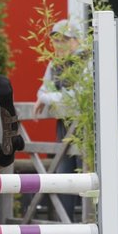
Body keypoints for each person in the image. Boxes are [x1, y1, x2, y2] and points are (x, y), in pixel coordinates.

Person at [34, 19, 85, 221]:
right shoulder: (54, 64)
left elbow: (76, 99)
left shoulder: (87, 60)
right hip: (64, 127)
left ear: (76, 41)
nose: (59, 45)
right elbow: (42, 89)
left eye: (65, 39)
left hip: (86, 128)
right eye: (56, 40)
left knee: (87, 181)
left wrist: (47, 99)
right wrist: (51, 98)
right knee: (65, 181)